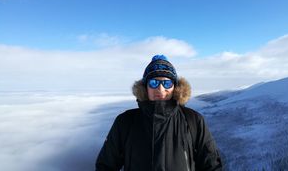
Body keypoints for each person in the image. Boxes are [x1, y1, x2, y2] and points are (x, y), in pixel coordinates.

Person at [95, 54, 223, 171]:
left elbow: (211, 165)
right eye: (154, 82)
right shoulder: (125, 121)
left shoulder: (193, 120)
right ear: (145, 87)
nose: (160, 89)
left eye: (167, 83)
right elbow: (106, 165)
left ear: (175, 88)